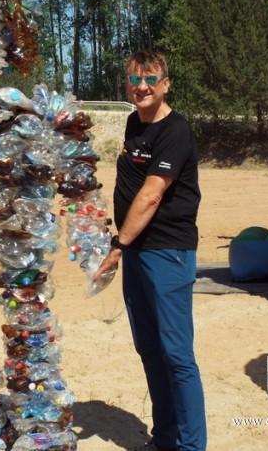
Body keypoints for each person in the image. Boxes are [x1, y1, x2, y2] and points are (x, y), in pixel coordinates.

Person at [95, 50, 206, 451]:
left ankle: (191, 446)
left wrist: (117, 246)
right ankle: (165, 439)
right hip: (137, 251)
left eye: (150, 79)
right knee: (150, 349)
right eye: (134, 79)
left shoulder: (176, 131)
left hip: (166, 251)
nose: (141, 87)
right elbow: (128, 185)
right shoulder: (133, 123)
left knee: (176, 354)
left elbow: (151, 195)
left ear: (165, 84)